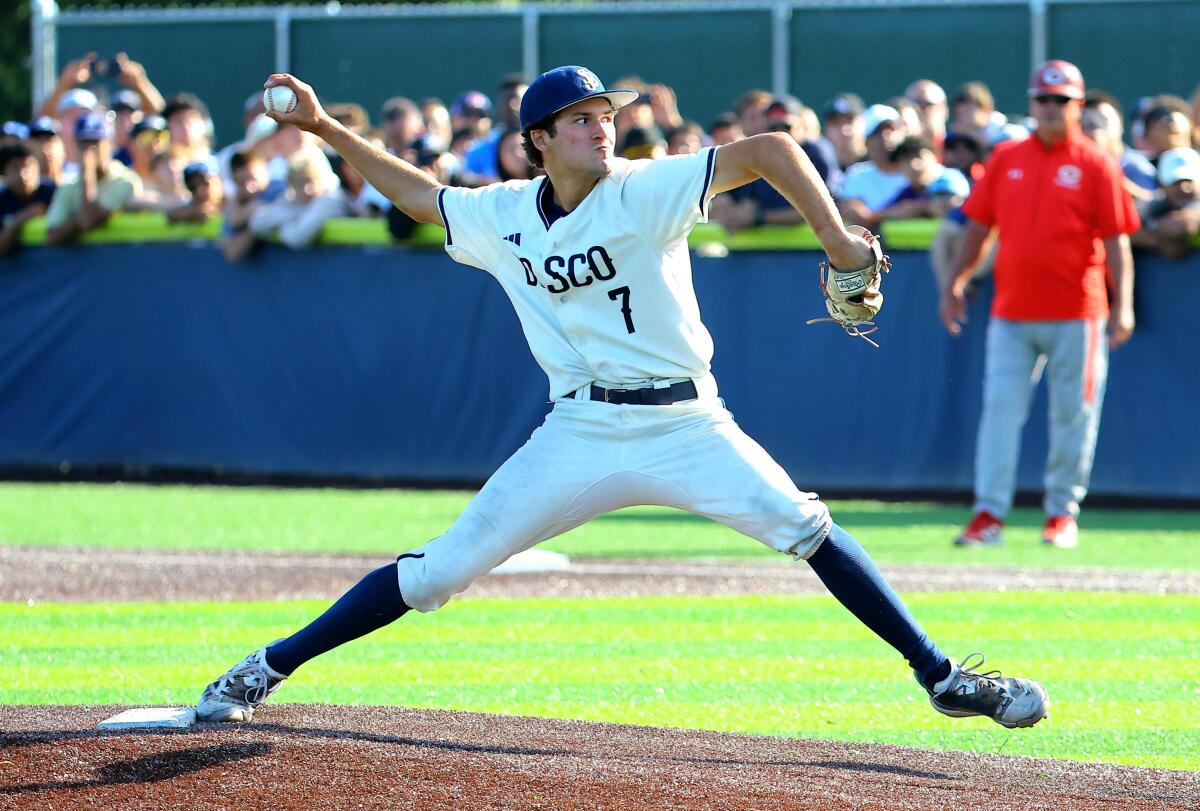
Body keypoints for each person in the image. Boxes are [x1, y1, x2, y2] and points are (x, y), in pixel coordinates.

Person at [195, 65, 1049, 731]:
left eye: (607, 116)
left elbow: (775, 151)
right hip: (581, 428)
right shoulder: (503, 214)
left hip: (689, 422)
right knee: (440, 571)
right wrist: (319, 125)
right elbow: (420, 197)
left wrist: (835, 239)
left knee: (806, 525)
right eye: (581, 120)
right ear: (538, 139)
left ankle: (941, 674)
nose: (602, 129)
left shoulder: (642, 187)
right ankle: (266, 666)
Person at [939, 59, 1139, 549]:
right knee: (1000, 412)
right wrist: (956, 281)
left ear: (1077, 105)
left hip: (1079, 311)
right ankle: (988, 514)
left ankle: (1061, 514)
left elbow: (1117, 241)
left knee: (1074, 414)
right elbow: (978, 226)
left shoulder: (1096, 162)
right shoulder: (1007, 157)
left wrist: (1124, 304)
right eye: (1044, 100)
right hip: (1012, 310)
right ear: (1031, 104)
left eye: (1062, 101)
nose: (1051, 109)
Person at [44, 112, 142, 246]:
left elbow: (88, 221)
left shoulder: (125, 181)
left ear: (109, 144)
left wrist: (88, 173)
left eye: (95, 143)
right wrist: (77, 221)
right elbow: (51, 237)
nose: (88, 151)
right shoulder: (69, 186)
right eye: (83, 144)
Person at [0, 143, 57, 256]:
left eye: (27, 166)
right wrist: (20, 219)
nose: (23, 174)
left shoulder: (52, 192)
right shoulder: (2, 201)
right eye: (15, 168)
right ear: (4, 172)